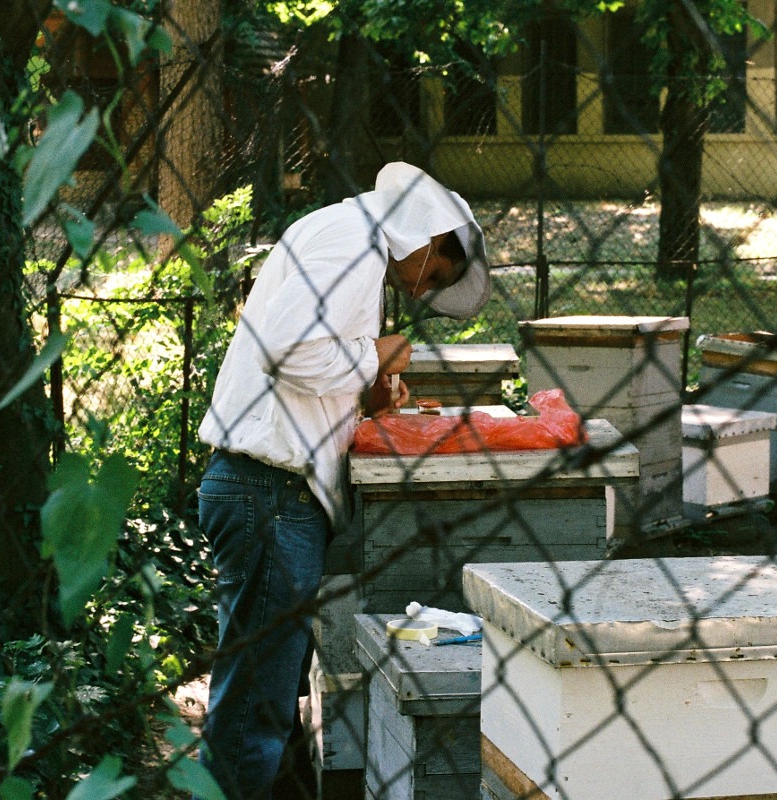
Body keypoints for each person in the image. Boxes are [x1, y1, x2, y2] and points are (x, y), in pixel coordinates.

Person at [195, 162, 489, 799]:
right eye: (433, 275)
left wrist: (367, 395)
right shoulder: (353, 243)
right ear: (430, 238)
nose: (420, 292)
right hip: (268, 491)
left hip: (268, 488)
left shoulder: (349, 239)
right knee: (253, 710)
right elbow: (292, 350)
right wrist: (374, 356)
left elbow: (304, 368)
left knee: (259, 693)